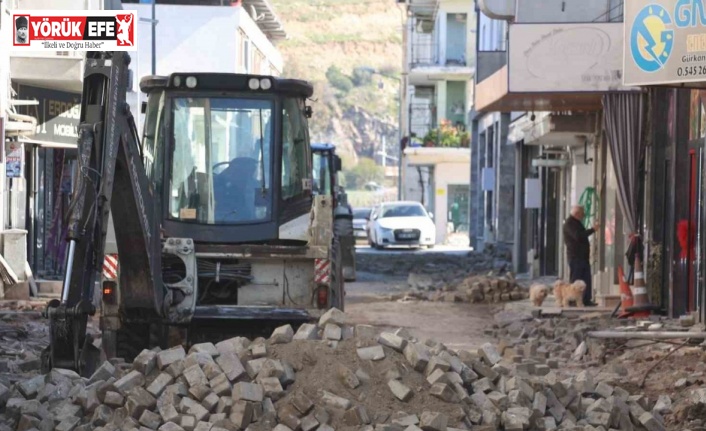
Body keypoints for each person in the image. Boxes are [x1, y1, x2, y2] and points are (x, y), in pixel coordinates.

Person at [563, 205, 600, 307]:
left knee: (586, 279)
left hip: (583, 257)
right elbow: (578, 236)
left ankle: (586, 299)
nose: (584, 215)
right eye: (582, 213)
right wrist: (592, 229)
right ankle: (572, 300)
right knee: (576, 280)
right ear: (577, 214)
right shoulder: (569, 223)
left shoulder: (577, 223)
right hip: (576, 257)